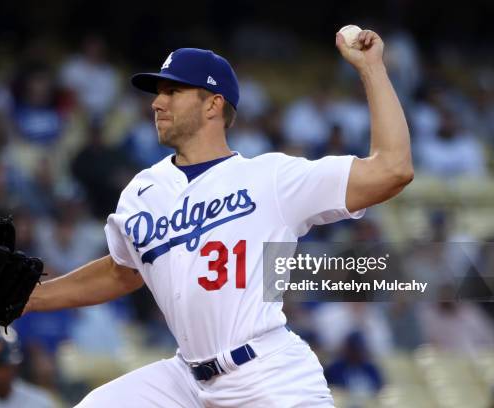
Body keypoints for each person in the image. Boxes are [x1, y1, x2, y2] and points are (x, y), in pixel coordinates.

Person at [23, 29, 413, 407]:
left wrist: (371, 69)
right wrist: (32, 298)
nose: (158, 103)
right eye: (159, 92)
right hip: (186, 380)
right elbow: (123, 271)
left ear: (213, 104)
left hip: (266, 371)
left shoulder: (271, 178)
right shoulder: (142, 191)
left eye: (173, 91)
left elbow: (392, 170)